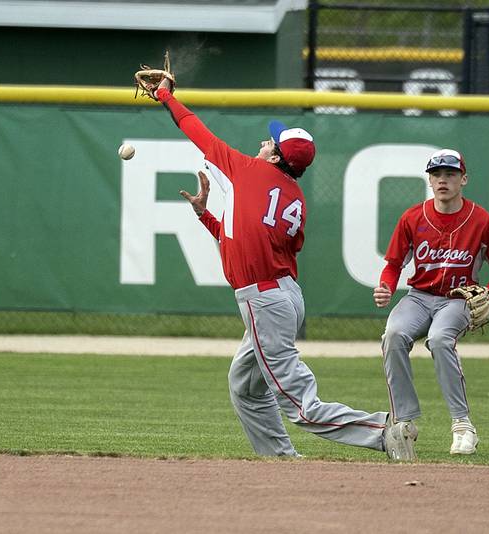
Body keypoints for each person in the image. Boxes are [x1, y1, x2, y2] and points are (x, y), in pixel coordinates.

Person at [150, 78, 389, 457]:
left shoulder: (247, 171)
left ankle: (382, 431)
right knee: (245, 387)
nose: (263, 142)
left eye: (270, 142)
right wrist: (205, 214)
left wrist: (165, 97)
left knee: (298, 403)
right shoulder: (293, 196)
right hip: (283, 296)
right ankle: (281, 461)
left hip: (265, 300)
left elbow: (197, 131)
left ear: (276, 157)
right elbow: (245, 241)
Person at [373, 148, 489, 460]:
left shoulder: (482, 221)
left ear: (464, 179)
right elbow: (394, 263)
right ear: (430, 181)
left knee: (438, 340)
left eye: (449, 174)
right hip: (419, 298)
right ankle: (404, 422)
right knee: (393, 336)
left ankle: (463, 426)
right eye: (436, 174)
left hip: (458, 299)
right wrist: (386, 286)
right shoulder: (412, 217)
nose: (442, 180)